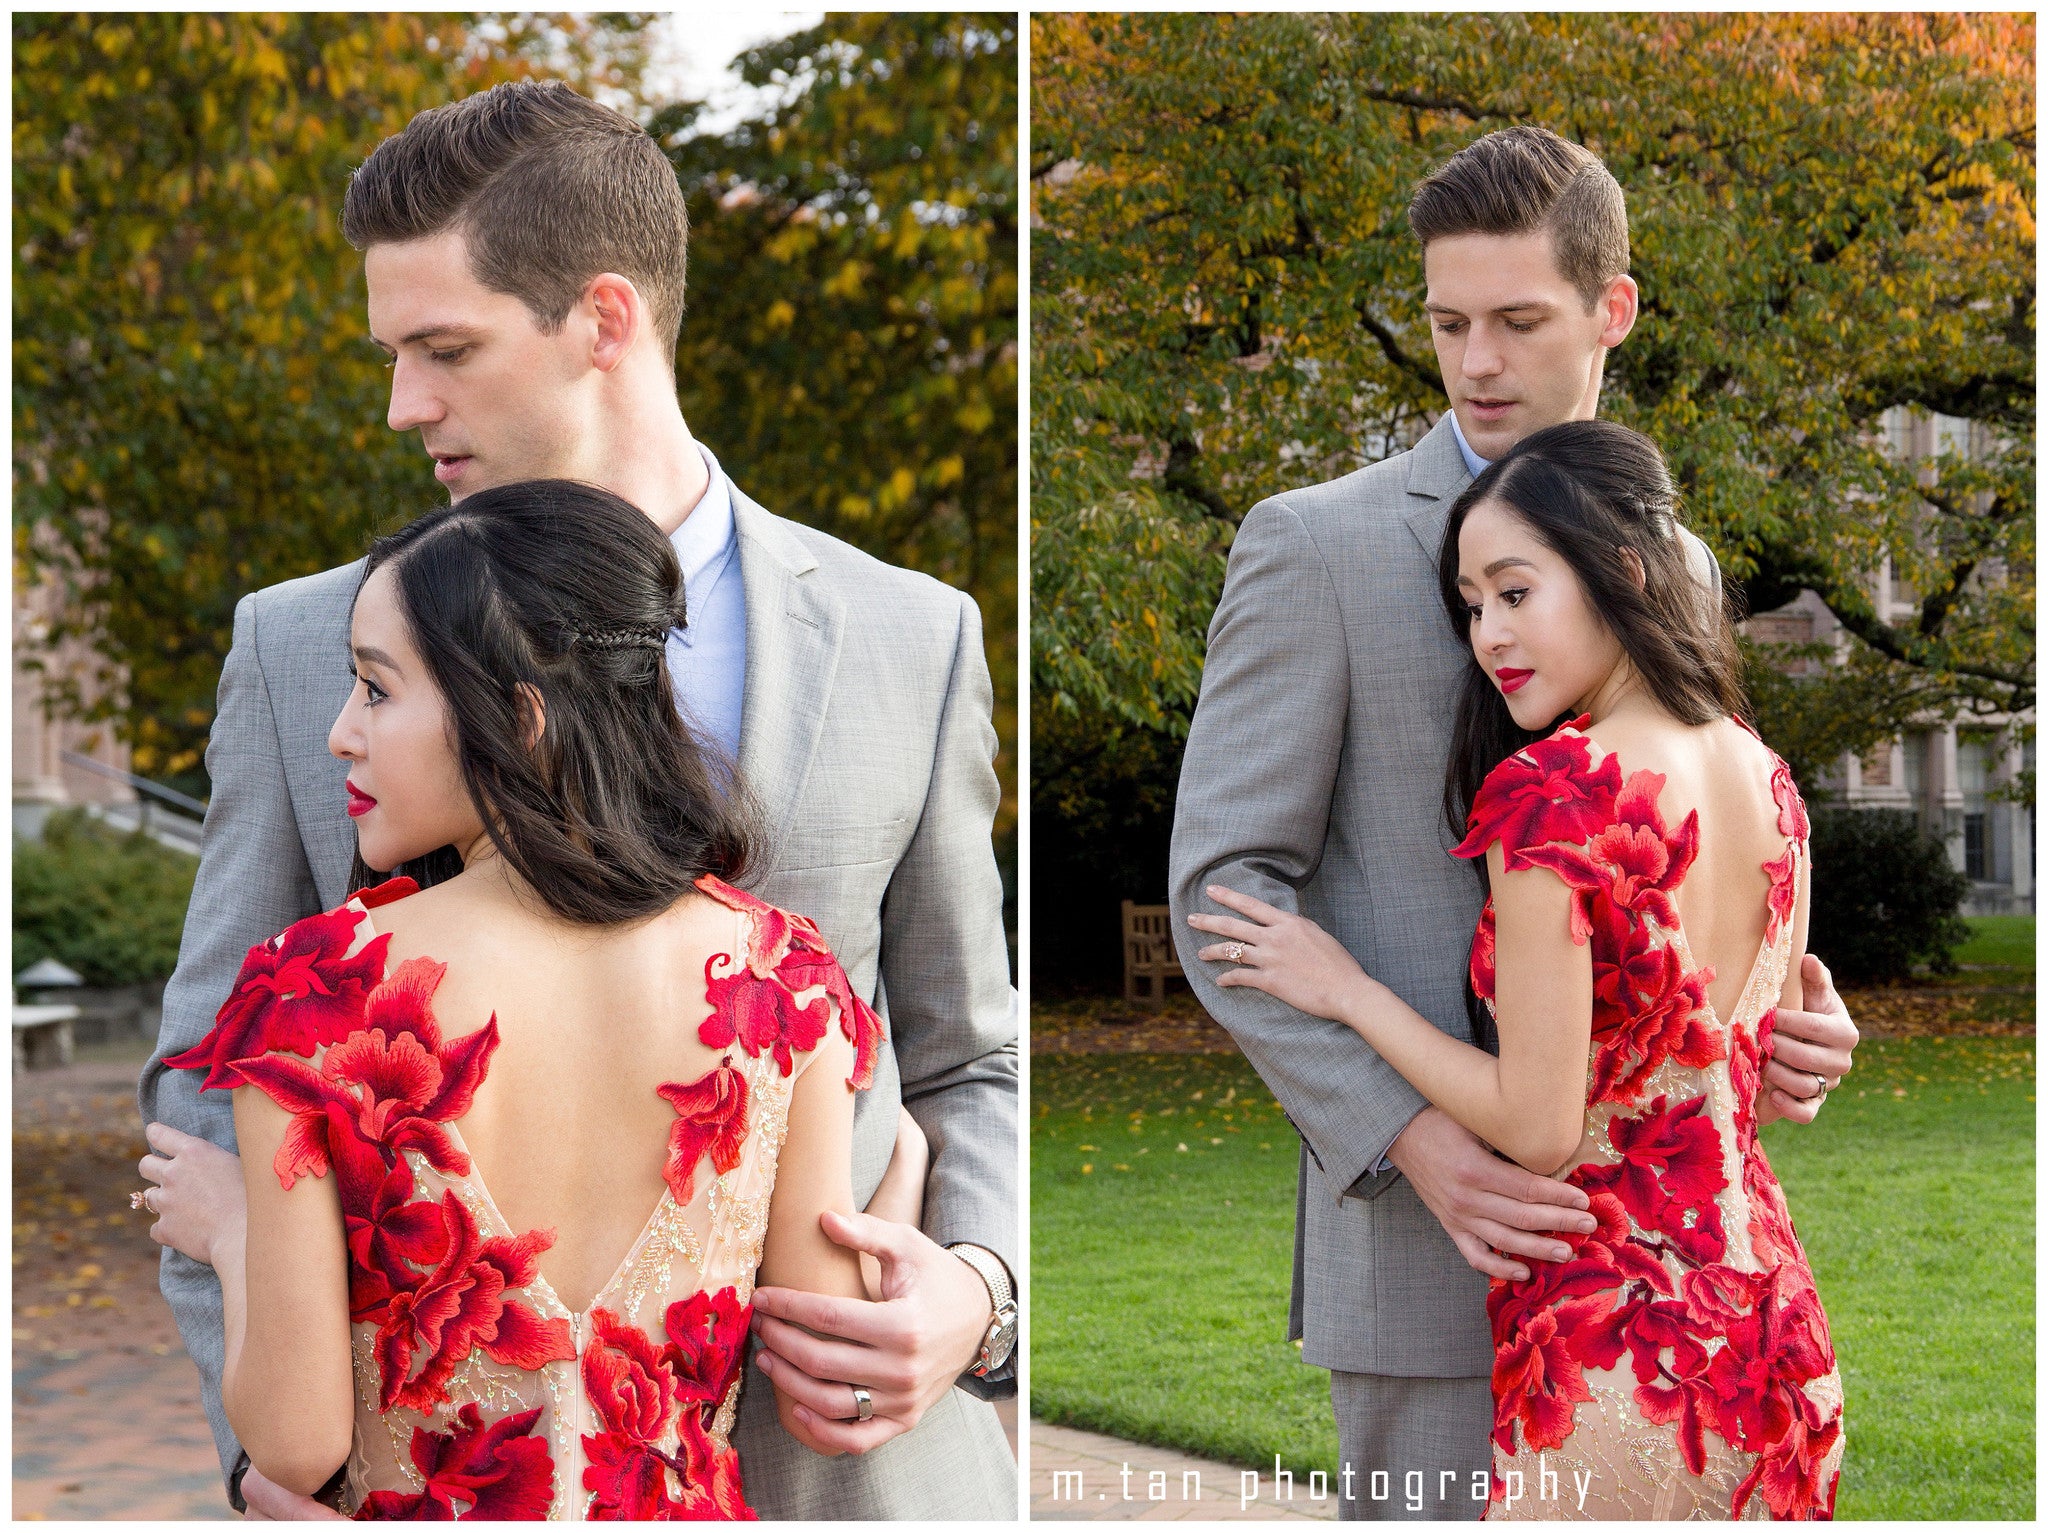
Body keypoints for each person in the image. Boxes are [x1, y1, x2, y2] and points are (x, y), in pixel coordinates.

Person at [138, 80, 1016, 1520]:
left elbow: (970, 1053)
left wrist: (981, 1294)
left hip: (867, 1483)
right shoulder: (302, 642)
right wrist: (265, 1476)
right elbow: (199, 1092)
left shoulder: (911, 636)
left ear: (604, 320)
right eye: (392, 352)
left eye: (444, 349)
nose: (401, 403)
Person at [1168, 125, 1858, 1520]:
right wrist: (1415, 1138)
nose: (1476, 363)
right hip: (1440, 1267)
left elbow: (1695, 870)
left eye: (1518, 321)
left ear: (1613, 312)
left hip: (1686, 1275)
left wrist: (1797, 1009)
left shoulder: (1683, 562)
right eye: (1447, 323)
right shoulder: (1319, 542)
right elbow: (1221, 888)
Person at [143, 482, 940, 1516]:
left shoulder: (318, 997)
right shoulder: (784, 983)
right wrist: (907, 1157)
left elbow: (294, 1446)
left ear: (517, 717)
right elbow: (826, 1363)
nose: (341, 733)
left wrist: (235, 1237)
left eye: (376, 691)